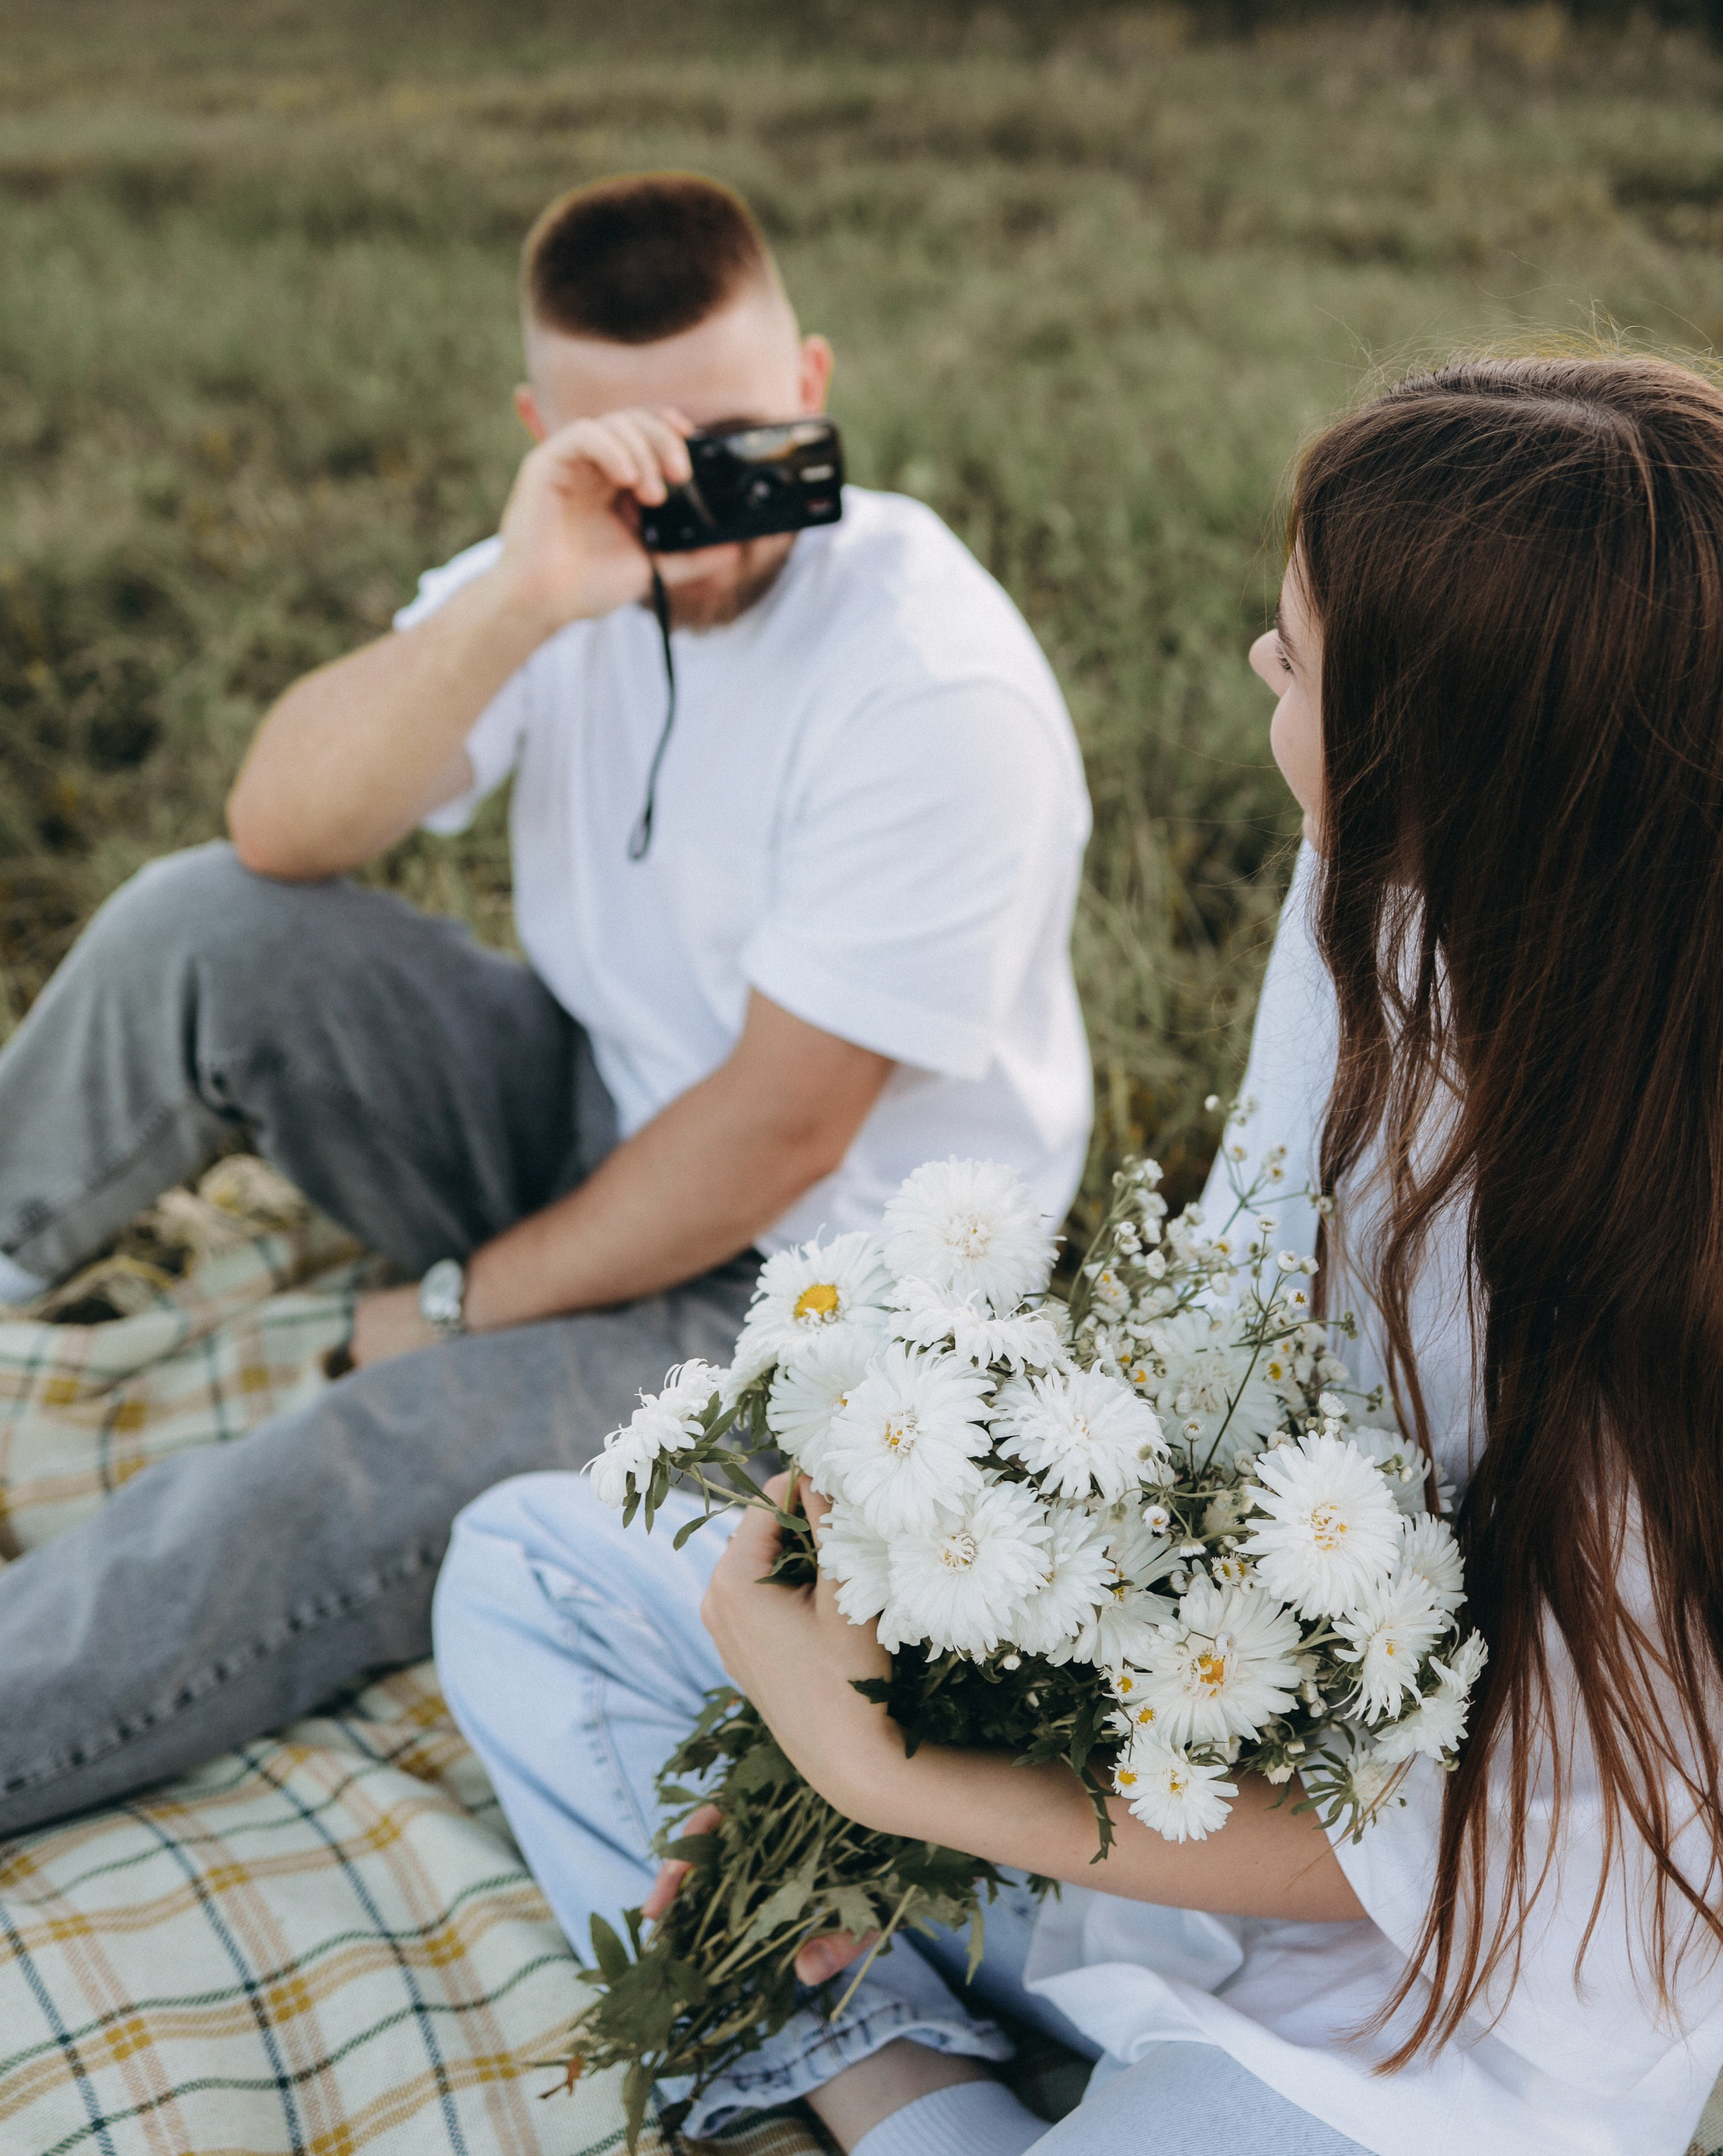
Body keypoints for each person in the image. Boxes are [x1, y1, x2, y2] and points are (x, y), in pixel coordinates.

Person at [434, 352, 1723, 2156]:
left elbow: (1442, 1855)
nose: (1264, 666)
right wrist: (920, 1609)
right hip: (1170, 1774)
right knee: (538, 1571)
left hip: (1454, 1998)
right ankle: (885, 2046)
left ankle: (870, 2074)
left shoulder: (1668, 1288)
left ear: (1450, 764)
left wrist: (881, 1771)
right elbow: (1226, 1383)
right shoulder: (1364, 905)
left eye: (1303, 651)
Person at [0, 171, 1092, 1835]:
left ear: (810, 388)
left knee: (351, 1459)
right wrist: (519, 596)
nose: (701, 516)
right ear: (548, 431)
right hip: (600, 1112)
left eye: (732, 447)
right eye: (645, 465)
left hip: (814, 1295)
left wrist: (450, 1311)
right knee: (202, 922)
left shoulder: (930, 680)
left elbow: (778, 1132)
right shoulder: (572, 563)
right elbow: (278, 829)